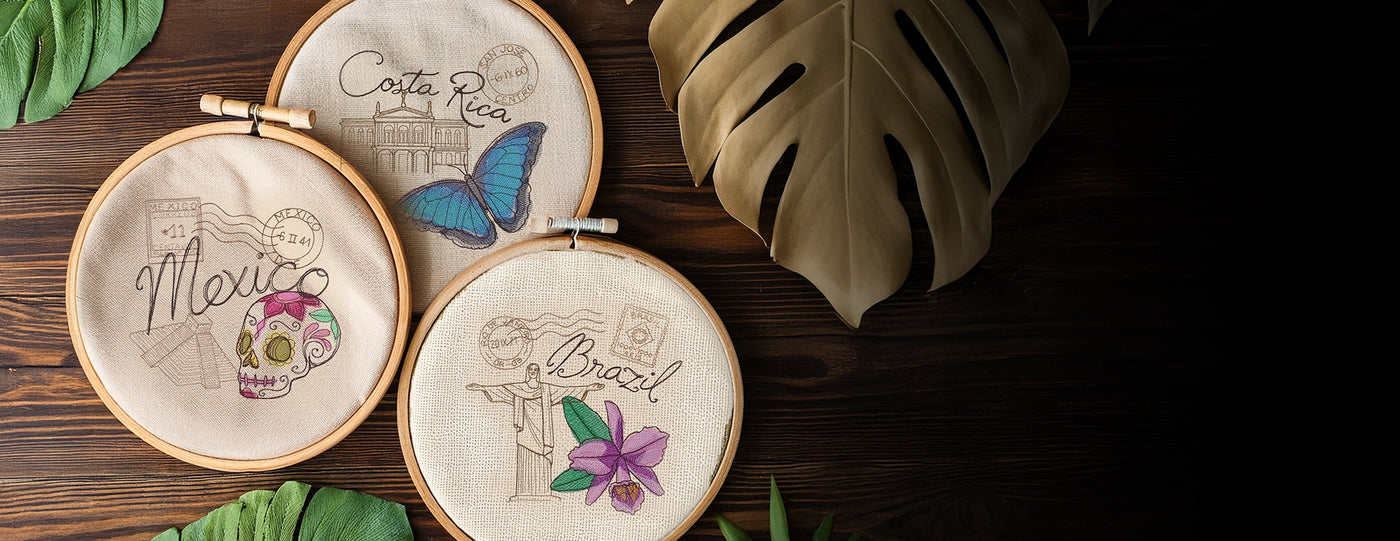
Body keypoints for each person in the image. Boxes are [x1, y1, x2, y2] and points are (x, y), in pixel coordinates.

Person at [467, 363, 605, 500]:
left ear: (538, 372)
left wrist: (587, 388)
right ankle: (523, 491)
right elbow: (502, 390)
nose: (533, 372)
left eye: (535, 370)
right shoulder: (518, 388)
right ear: (527, 372)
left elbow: (565, 391)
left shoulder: (546, 389)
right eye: (531, 369)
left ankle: (543, 491)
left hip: (543, 429)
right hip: (526, 429)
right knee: (526, 456)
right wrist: (482, 388)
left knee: (542, 458)